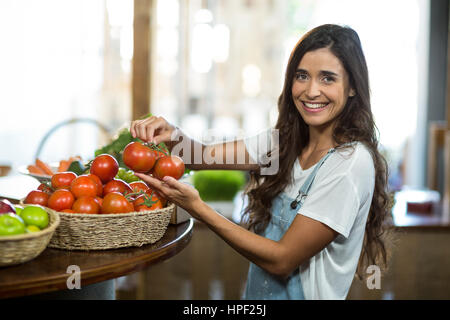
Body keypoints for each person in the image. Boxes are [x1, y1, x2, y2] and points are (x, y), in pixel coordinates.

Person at [129, 24, 392, 300]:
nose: (311, 91)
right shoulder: (284, 144)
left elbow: (282, 259)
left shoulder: (350, 164)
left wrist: (196, 207)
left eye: (327, 79)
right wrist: (172, 135)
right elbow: (200, 155)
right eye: (302, 76)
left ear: (352, 88)